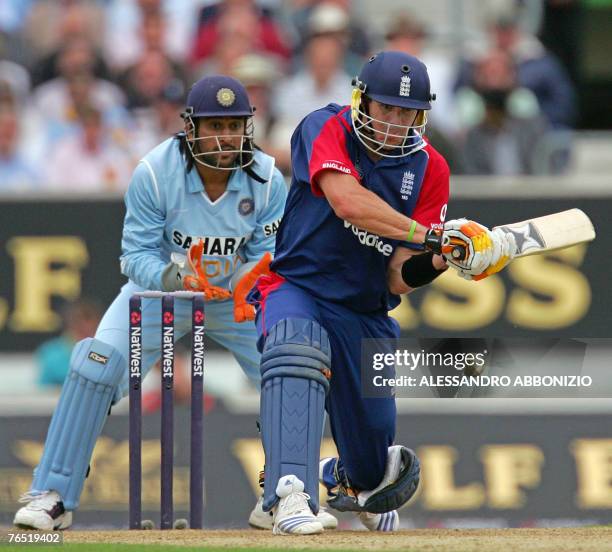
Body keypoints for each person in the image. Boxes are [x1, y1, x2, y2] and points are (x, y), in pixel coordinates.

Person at [246, 51, 517, 535]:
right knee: (295, 348)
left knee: (373, 476)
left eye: (406, 112)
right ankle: (288, 493)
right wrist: (433, 235)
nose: (394, 122)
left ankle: (342, 477)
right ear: (362, 100)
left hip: (364, 310)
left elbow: (396, 277)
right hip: (299, 287)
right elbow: (347, 203)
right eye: (386, 108)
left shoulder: (430, 168)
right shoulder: (323, 126)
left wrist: (447, 257)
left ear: (421, 115)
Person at [13, 75, 290, 530]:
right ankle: (53, 495)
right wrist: (176, 275)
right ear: (190, 128)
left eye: (234, 125)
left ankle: (282, 493)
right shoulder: (155, 173)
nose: (225, 137)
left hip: (233, 297)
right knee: (95, 364)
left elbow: (267, 252)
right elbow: (134, 254)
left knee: (291, 363)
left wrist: (243, 280)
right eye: (214, 125)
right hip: (164, 293)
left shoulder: (265, 179)